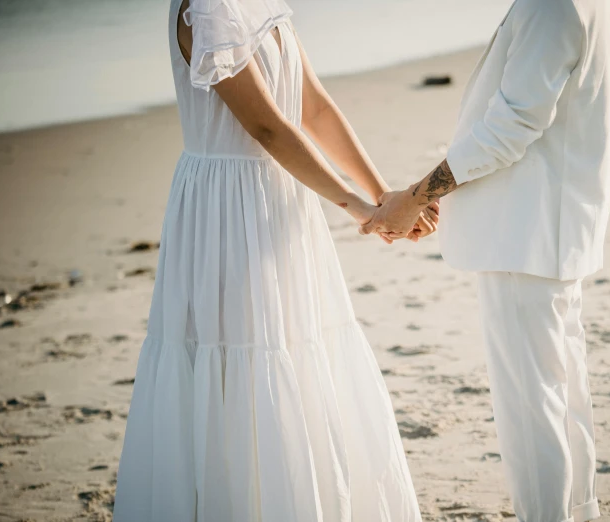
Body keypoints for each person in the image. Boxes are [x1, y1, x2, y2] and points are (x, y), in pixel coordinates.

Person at [113, 0, 432, 519]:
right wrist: (359, 210)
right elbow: (267, 128)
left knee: (297, 350)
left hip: (280, 199)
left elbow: (315, 109)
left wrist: (383, 196)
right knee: (237, 361)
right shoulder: (207, 8)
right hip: (225, 208)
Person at [361, 0, 610, 520]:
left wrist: (415, 195)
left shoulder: (555, 6)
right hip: (548, 230)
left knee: (532, 408)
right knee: (563, 390)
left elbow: (512, 125)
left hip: (524, 234)